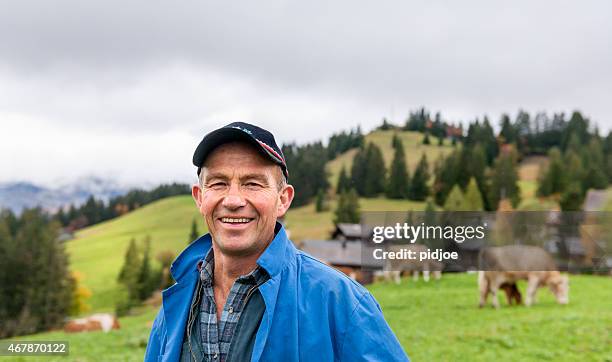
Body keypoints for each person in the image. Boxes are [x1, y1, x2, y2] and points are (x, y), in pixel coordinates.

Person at [145, 122, 409, 361]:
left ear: (283, 199)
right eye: (218, 183)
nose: (234, 200)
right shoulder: (175, 309)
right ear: (199, 197)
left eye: (253, 184)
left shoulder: (341, 303)